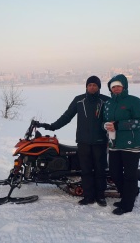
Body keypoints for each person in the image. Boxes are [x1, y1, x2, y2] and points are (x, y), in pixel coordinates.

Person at [41, 76, 110, 206]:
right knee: (86, 170)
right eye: (89, 85)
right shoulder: (79, 101)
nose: (92, 87)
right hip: (83, 142)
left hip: (100, 142)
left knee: (100, 170)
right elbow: (67, 117)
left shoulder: (106, 101)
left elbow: (114, 117)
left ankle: (100, 196)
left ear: (99, 87)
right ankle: (88, 196)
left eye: (95, 85)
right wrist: (52, 126)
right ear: (86, 87)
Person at [103, 74, 140, 215]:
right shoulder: (109, 103)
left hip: (131, 145)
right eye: (113, 87)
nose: (116, 89)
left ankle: (127, 204)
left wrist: (119, 125)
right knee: (114, 173)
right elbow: (104, 120)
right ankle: (128, 194)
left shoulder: (134, 101)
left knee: (129, 175)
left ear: (124, 87)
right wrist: (105, 125)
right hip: (114, 144)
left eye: (118, 86)